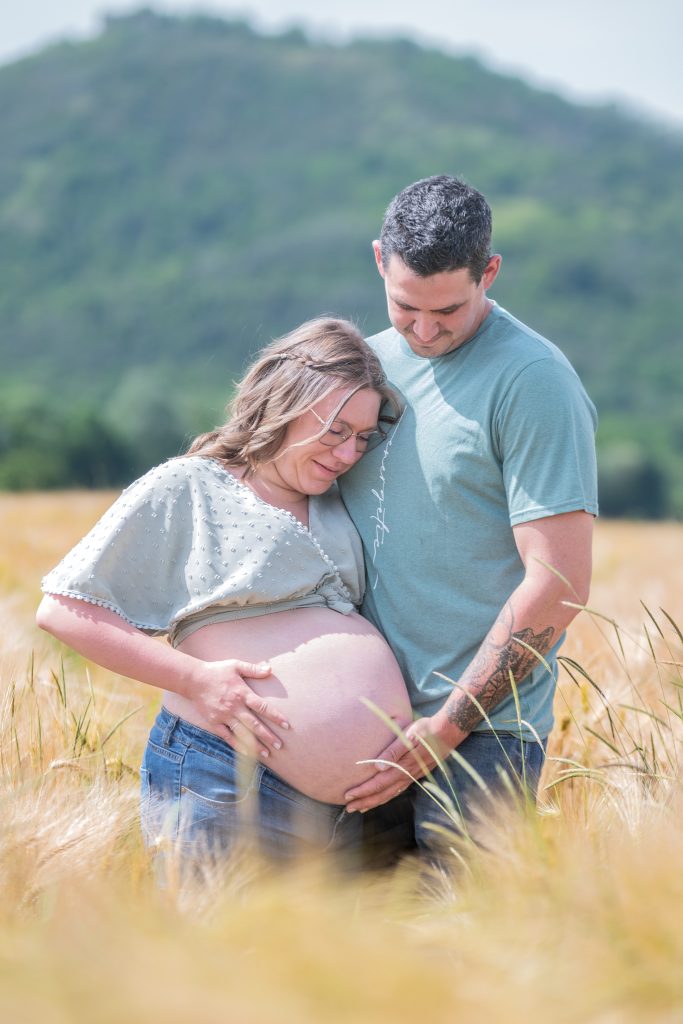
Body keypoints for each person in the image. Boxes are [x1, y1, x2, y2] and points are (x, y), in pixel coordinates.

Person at [37, 317, 411, 868]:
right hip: (226, 776)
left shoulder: (340, 500)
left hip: (360, 810)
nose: (350, 452)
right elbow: (64, 609)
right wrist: (196, 680)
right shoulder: (191, 484)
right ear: (285, 402)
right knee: (219, 952)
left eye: (364, 436)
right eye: (336, 430)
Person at [339, 175, 598, 859]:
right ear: (377, 262)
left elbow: (559, 585)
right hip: (359, 724)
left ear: (489, 272)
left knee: (466, 951)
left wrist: (446, 728)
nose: (424, 330)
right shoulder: (359, 366)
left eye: (448, 310)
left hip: (483, 739)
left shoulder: (532, 381)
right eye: (404, 307)